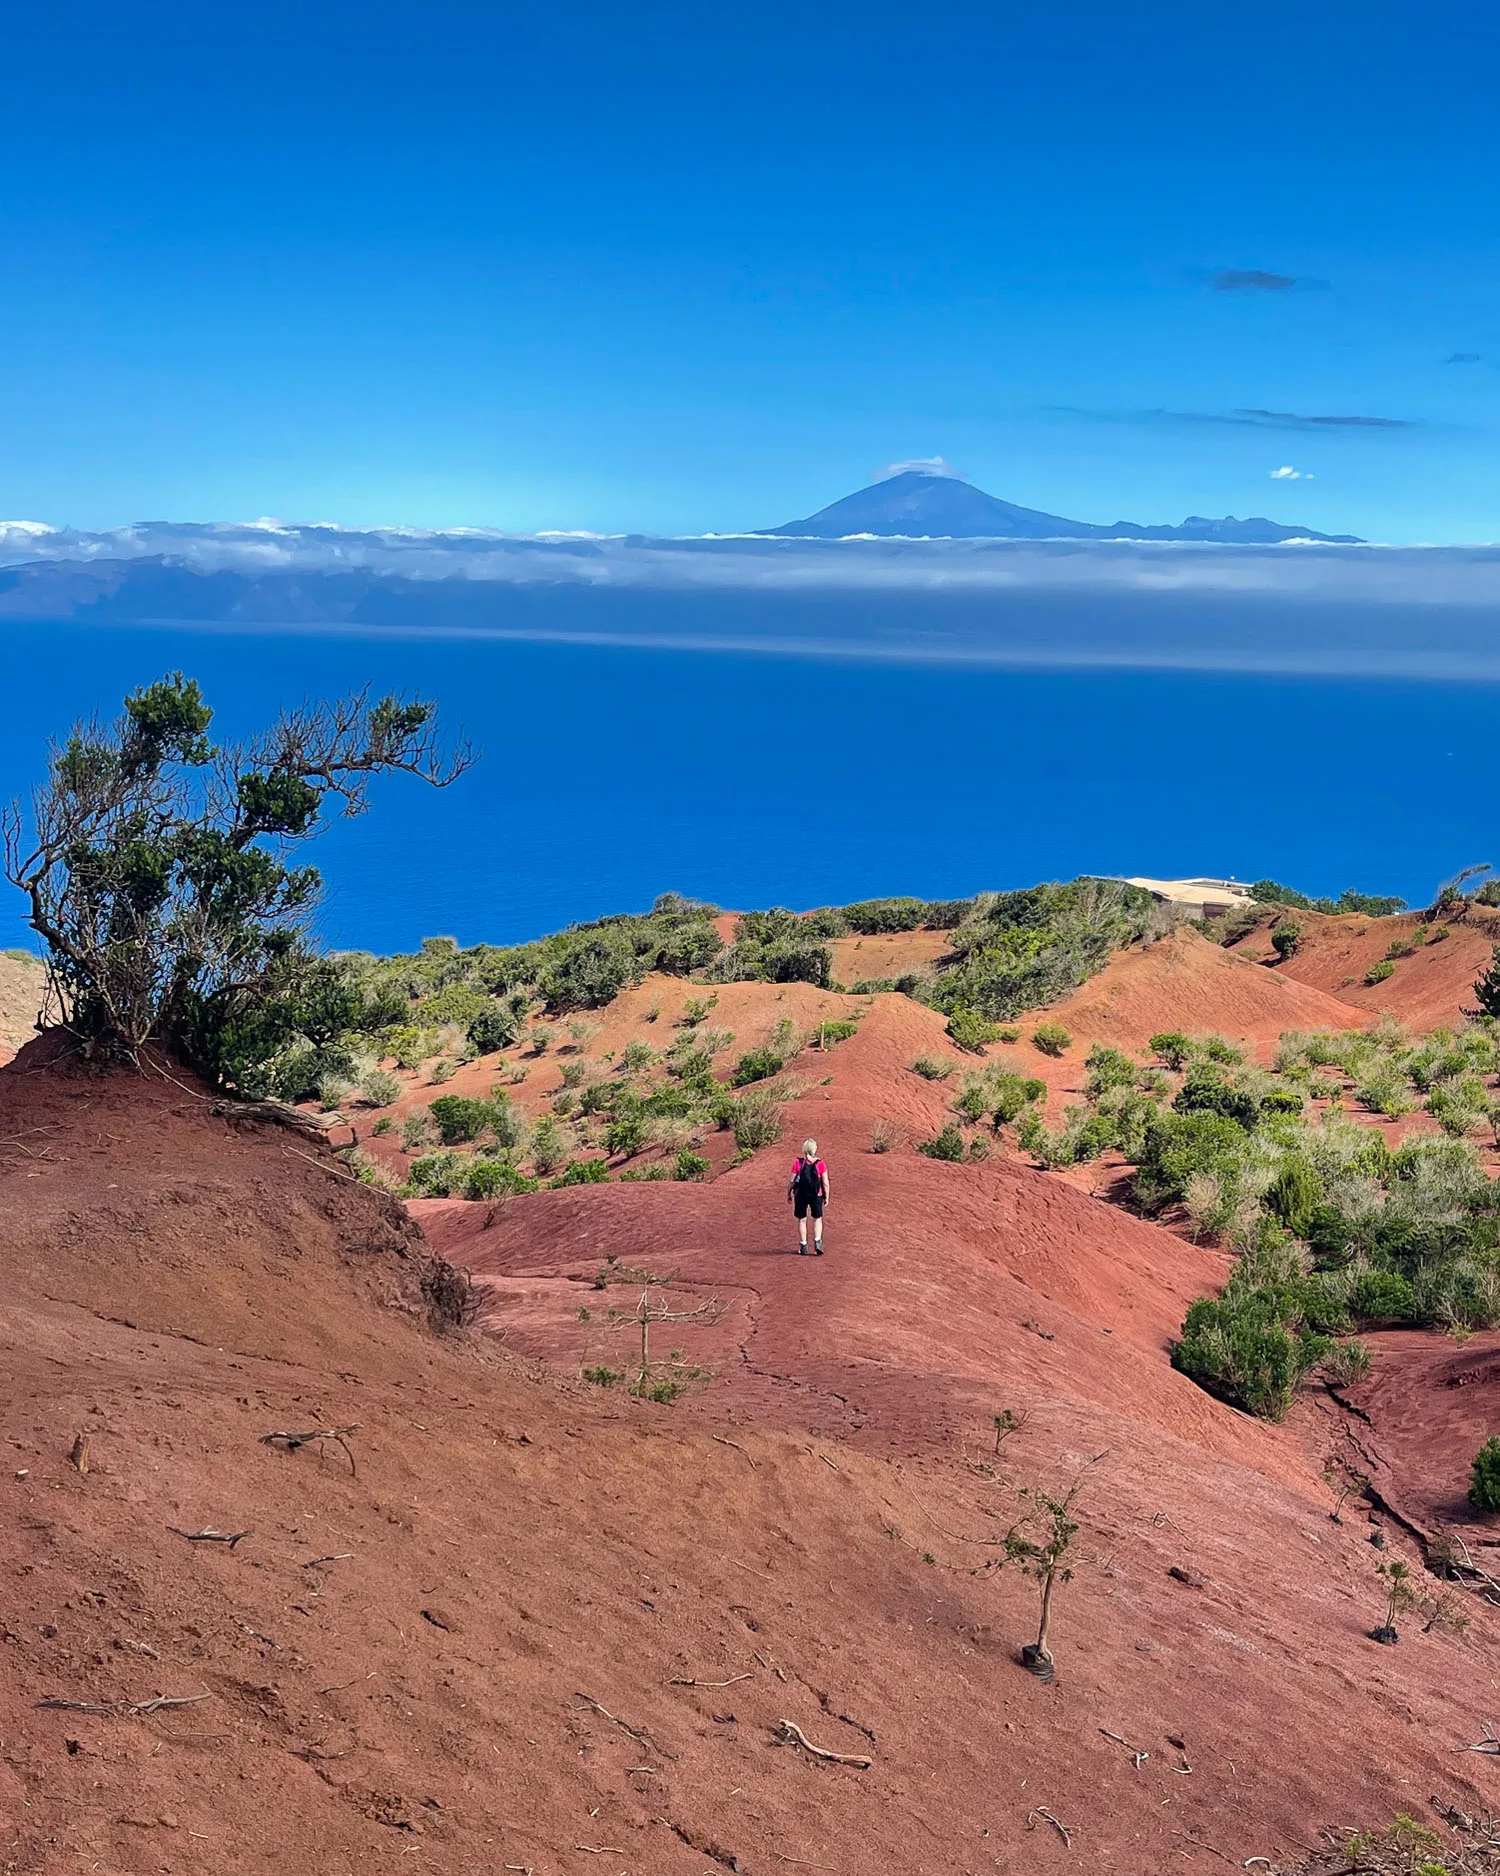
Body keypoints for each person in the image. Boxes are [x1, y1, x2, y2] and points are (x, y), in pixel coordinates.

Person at [788, 1138, 829, 1255]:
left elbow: (792, 1181)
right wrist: (827, 1197)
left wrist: (788, 1194)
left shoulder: (798, 1163)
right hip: (817, 1194)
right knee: (817, 1219)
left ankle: (804, 1246)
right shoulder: (820, 1164)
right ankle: (817, 1243)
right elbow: (825, 1183)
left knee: (802, 1219)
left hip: (800, 1195)